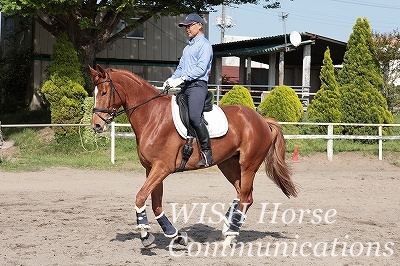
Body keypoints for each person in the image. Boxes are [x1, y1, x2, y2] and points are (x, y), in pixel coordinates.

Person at [164, 13, 214, 167]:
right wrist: (171, 79)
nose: (187, 29)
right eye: (185, 26)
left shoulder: (205, 45)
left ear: (200, 25)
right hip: (185, 86)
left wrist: (182, 78)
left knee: (193, 116)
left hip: (197, 86)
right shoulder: (187, 48)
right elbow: (180, 68)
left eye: (190, 25)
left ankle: (207, 153)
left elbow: (200, 69)